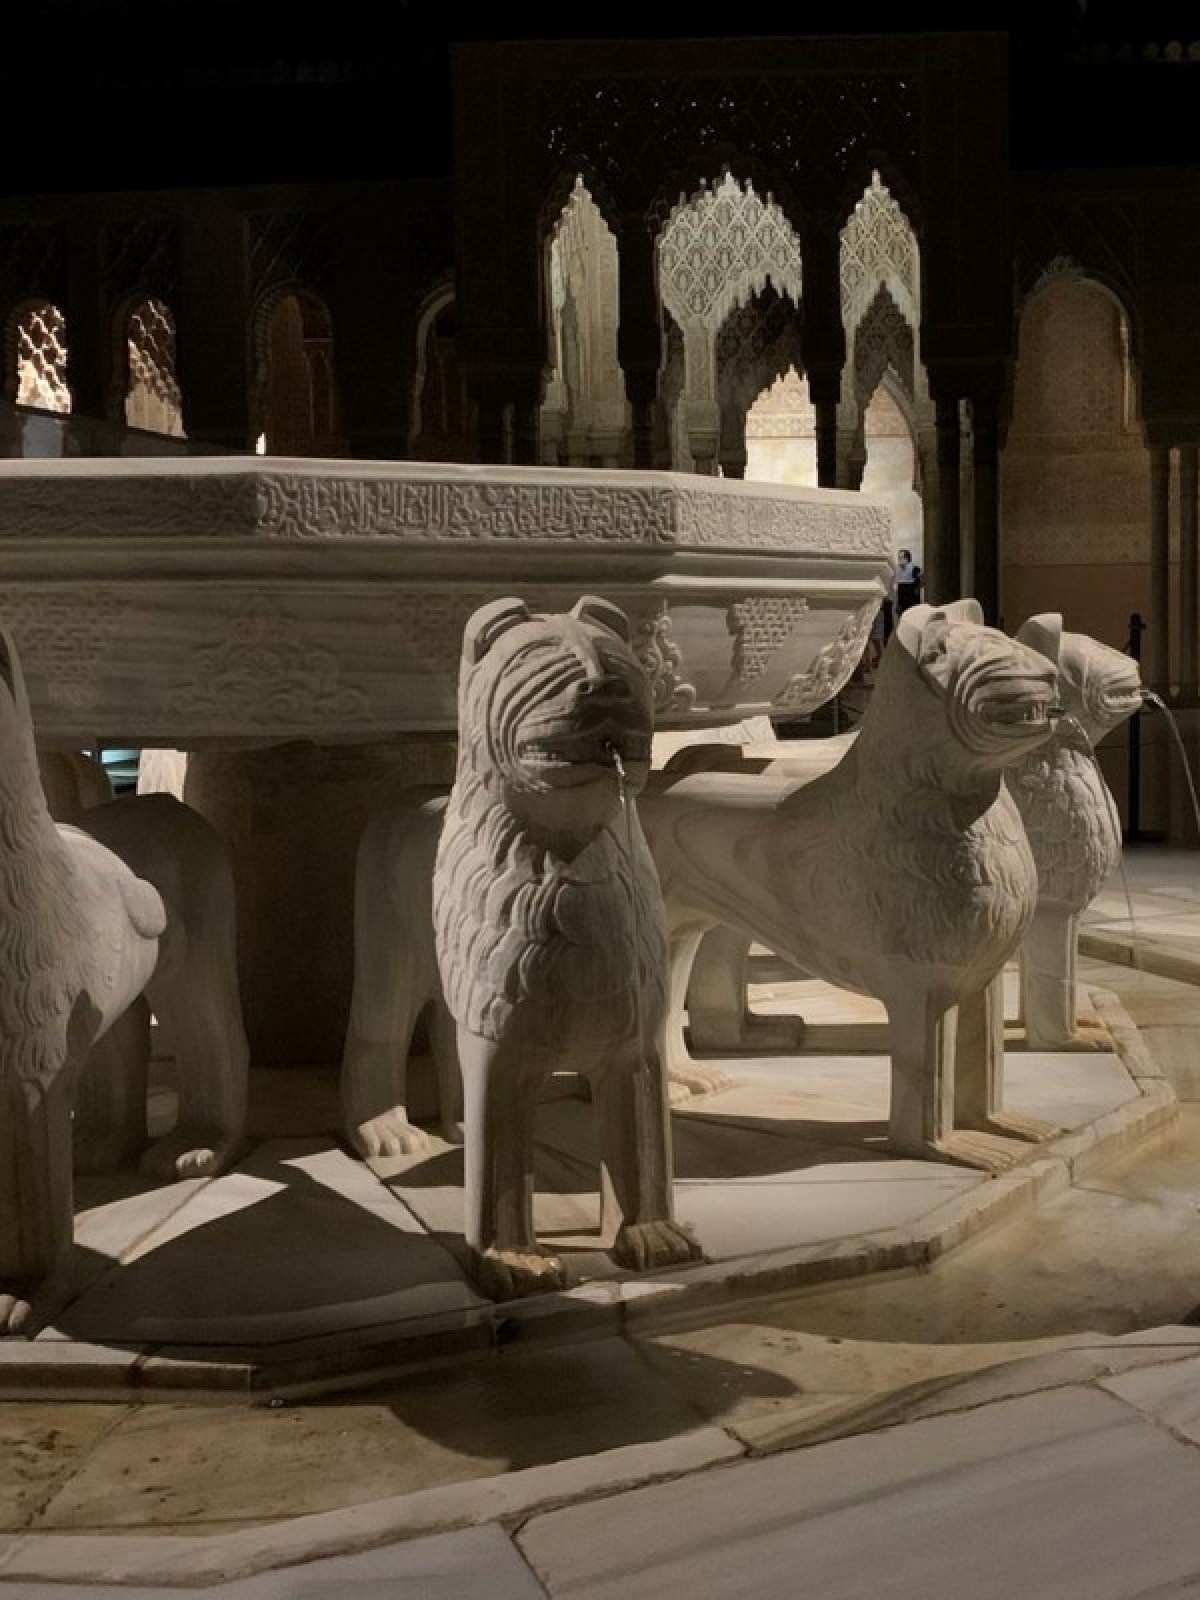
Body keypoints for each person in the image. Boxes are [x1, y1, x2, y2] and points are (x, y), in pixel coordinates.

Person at [895, 548, 922, 615]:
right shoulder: (898, 570)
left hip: (911, 598)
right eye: (898, 558)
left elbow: (919, 585)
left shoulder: (915, 569)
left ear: (906, 558)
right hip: (902, 598)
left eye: (900, 558)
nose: (899, 560)